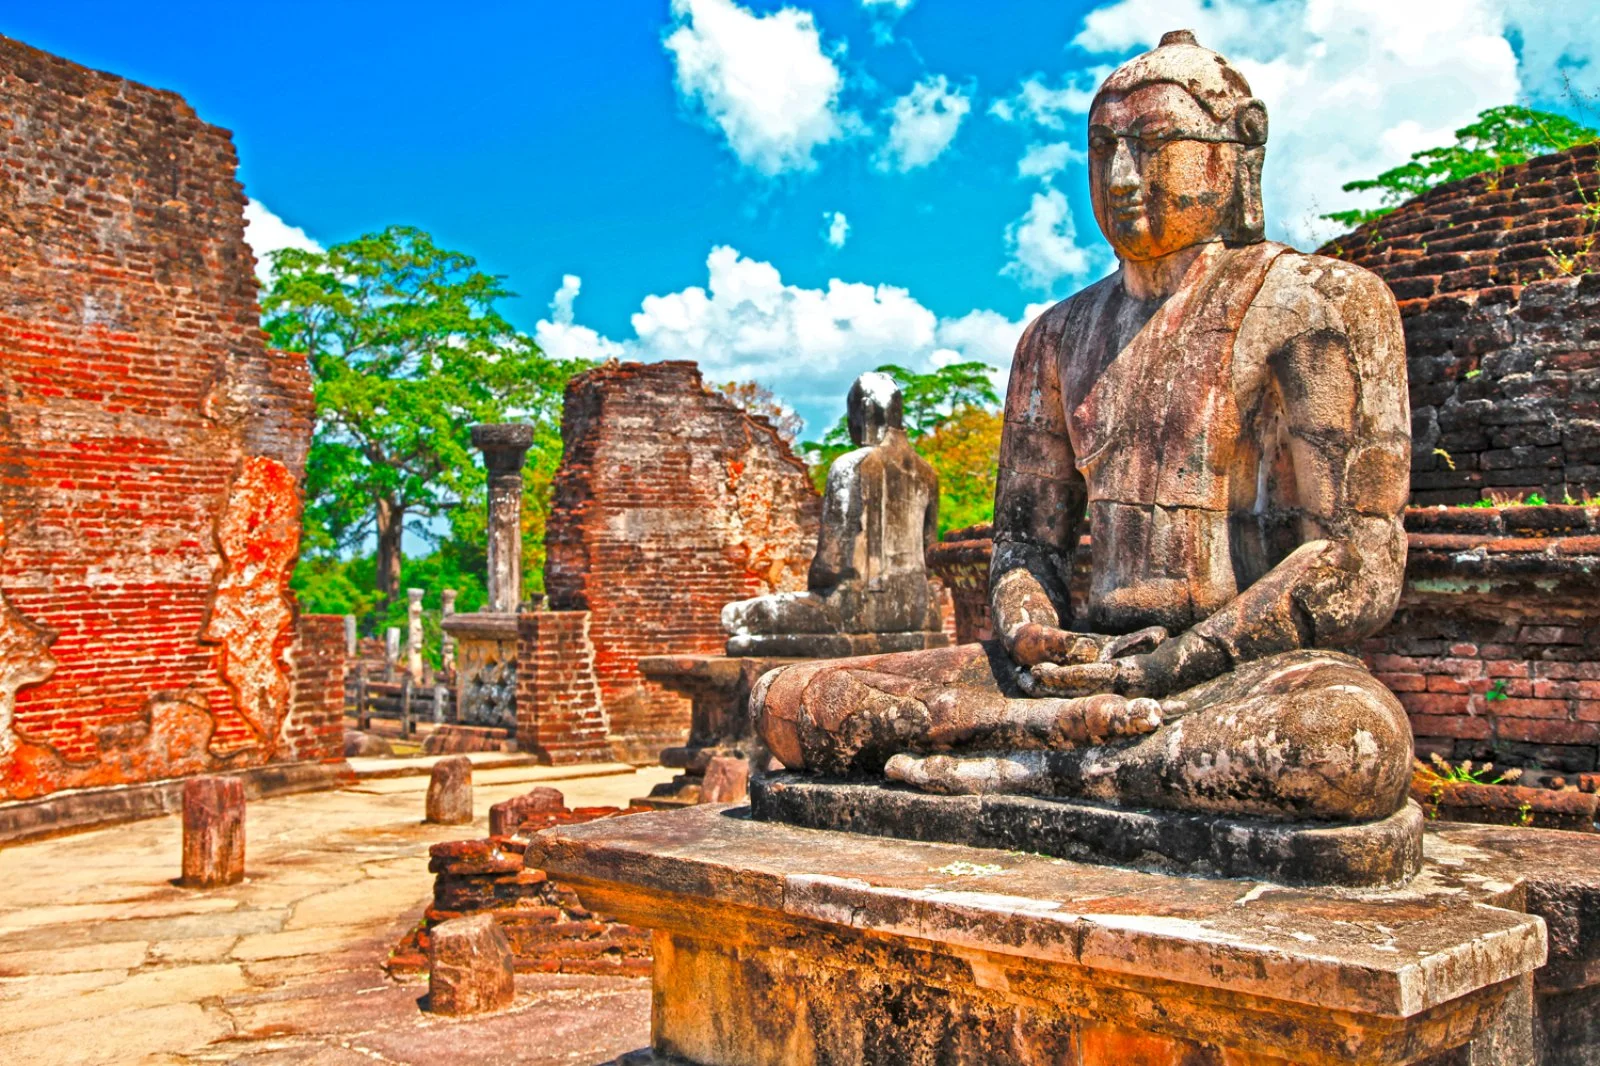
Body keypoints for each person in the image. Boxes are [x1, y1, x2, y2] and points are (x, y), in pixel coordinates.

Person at [750, 30, 1414, 824]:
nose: (1124, 177)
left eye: (1156, 144)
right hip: (1079, 666)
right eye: (1103, 149)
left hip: (1234, 671)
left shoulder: (1320, 305)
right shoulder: (1055, 337)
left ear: (1238, 148)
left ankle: (1027, 763)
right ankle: (1061, 744)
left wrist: (1171, 665)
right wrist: (1032, 628)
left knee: (1343, 744)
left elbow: (1354, 564)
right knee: (786, 703)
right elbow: (1026, 547)